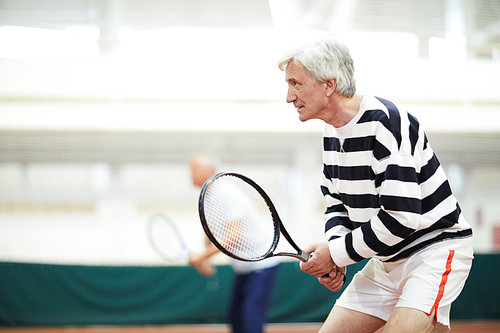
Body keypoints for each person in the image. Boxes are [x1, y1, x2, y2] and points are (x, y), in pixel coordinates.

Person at [277, 35, 473, 333]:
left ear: (329, 85)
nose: (289, 97)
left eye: (296, 83)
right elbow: (337, 202)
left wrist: (336, 253)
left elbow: (402, 217)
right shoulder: (332, 132)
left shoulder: (387, 122)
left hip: (433, 252)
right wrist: (335, 251)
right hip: (385, 263)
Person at [188, 153, 281, 333]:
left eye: (194, 170)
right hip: (244, 268)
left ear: (208, 171)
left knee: (250, 319)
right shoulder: (207, 195)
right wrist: (206, 258)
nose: (190, 175)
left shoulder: (224, 192)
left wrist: (202, 257)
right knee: (237, 318)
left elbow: (233, 238)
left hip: (262, 264)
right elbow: (209, 231)